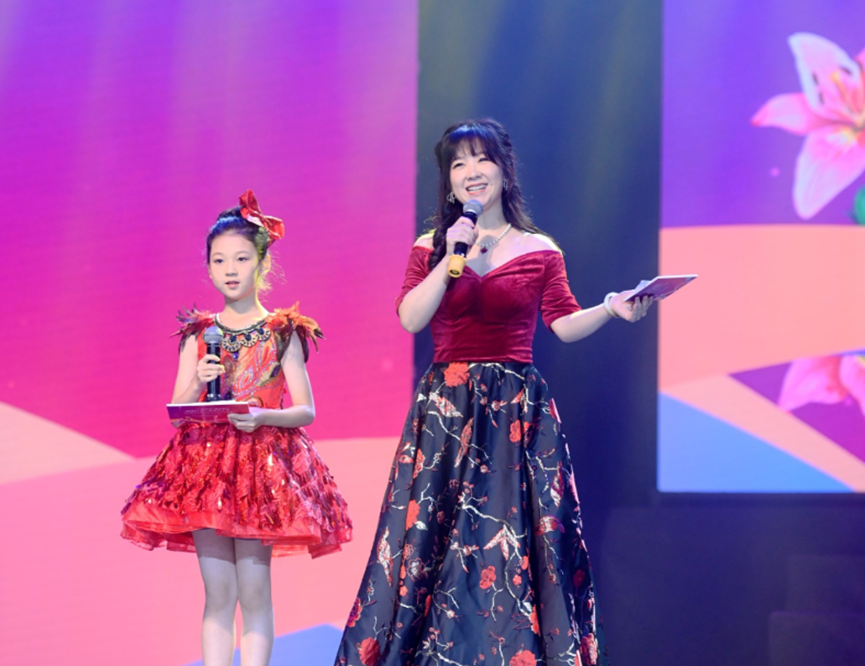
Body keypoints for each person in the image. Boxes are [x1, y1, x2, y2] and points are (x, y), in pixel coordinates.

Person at [334, 119, 652, 666]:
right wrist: (449, 258)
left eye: (481, 159)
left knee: (509, 543)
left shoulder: (539, 249)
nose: (471, 172)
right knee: (429, 544)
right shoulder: (432, 246)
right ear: (449, 181)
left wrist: (611, 308)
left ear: (505, 169)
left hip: (514, 414)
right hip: (446, 411)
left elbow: (563, 323)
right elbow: (410, 318)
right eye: (458, 164)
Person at [121, 190, 352, 666]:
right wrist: (197, 381)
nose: (230, 269)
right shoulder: (198, 333)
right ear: (208, 268)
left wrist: (263, 416)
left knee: (254, 589)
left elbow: (305, 410)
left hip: (258, 470)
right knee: (218, 592)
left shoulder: (282, 331)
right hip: (205, 470)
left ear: (262, 263)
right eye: (219, 260)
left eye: (242, 259)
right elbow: (178, 409)